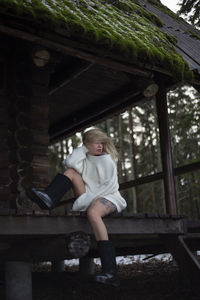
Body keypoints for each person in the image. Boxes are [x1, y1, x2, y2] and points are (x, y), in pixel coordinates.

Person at [27, 128, 127, 287]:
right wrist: (82, 149)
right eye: (95, 142)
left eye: (102, 142)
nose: (100, 146)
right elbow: (70, 163)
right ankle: (49, 198)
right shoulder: (85, 158)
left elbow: (109, 187)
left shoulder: (107, 160)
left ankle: (111, 272)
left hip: (109, 196)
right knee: (71, 171)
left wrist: (88, 200)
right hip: (90, 195)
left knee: (93, 212)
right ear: (87, 144)